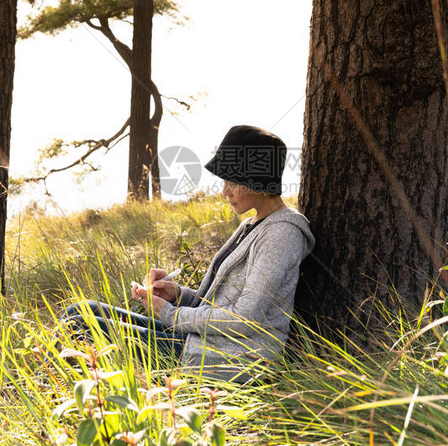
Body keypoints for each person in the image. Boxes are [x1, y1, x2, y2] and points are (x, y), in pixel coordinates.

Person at [60, 125, 315, 382]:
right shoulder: (250, 225)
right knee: (80, 310)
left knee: (79, 325)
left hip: (232, 359)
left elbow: (244, 319)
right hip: (202, 340)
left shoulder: (282, 234)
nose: (225, 191)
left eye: (232, 181)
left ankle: (64, 398)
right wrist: (177, 295)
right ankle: (70, 393)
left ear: (257, 179)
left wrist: (170, 314)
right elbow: (221, 305)